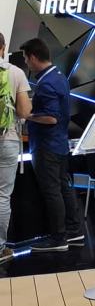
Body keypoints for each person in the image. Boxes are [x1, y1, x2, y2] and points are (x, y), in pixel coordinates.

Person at [21, 38, 84, 252]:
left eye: (26, 58)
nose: (26, 63)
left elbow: (51, 117)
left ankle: (58, 239)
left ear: (33, 57)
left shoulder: (46, 83)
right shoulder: (59, 77)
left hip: (46, 146)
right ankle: (74, 231)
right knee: (63, 187)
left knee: (52, 191)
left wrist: (27, 115)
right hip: (59, 144)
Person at [0, 33, 32, 263]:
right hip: (7, 138)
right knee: (2, 196)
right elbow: (24, 111)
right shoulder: (15, 72)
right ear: (3, 48)